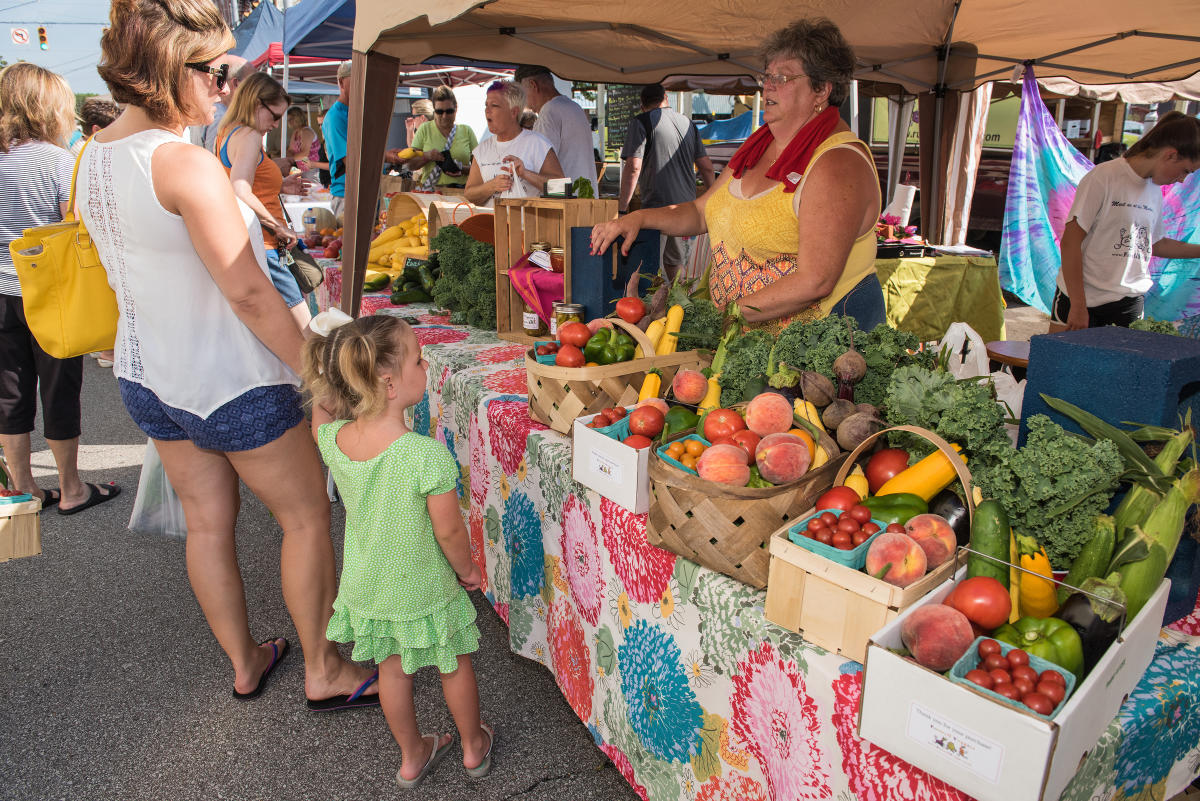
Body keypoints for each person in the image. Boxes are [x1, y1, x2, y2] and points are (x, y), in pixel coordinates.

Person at [79, 0, 379, 710]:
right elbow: (249, 294)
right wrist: (319, 368)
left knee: (209, 522)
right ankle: (322, 667)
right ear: (165, 67)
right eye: (216, 72)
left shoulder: (92, 155)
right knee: (305, 515)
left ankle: (247, 661)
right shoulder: (183, 162)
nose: (225, 85)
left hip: (148, 374)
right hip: (231, 379)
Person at [591, 18, 885, 331]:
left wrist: (722, 315)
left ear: (821, 90)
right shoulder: (757, 148)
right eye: (767, 76)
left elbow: (815, 281)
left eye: (782, 77)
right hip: (742, 341)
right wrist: (638, 218)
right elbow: (700, 211)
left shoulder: (837, 163)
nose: (768, 86)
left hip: (819, 354)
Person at [300, 312, 493, 788]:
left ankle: (412, 755)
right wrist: (467, 569)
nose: (425, 367)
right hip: (425, 584)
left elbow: (321, 414)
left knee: (393, 671)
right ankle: (472, 746)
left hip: (371, 583)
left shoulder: (335, 441)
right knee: (452, 664)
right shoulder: (424, 455)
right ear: (389, 383)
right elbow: (448, 532)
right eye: (419, 360)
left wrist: (331, 376)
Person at [0, 62, 122, 515]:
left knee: (9, 394)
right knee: (59, 391)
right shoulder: (60, 161)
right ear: (49, 106)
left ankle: (24, 490)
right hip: (50, 295)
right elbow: (78, 224)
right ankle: (71, 488)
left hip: (0, 294)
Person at [1054, 111, 1200, 330]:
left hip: (1128, 302)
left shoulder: (1155, 190)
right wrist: (1078, 305)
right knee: (1060, 363)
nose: (1181, 180)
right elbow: (1070, 242)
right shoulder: (1104, 177)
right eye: (1185, 171)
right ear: (1171, 155)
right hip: (1080, 298)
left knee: (1123, 365)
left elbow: (1155, 244)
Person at [215, 72, 312, 329]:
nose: (277, 125)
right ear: (257, 105)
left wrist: (280, 184)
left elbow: (246, 182)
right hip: (266, 245)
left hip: (255, 243)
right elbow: (240, 189)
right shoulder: (249, 136)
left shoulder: (227, 132)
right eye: (275, 116)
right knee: (305, 332)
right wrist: (278, 226)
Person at [619, 83, 716, 281]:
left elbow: (633, 168)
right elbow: (706, 166)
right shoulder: (688, 124)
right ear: (666, 98)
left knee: (647, 266)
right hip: (685, 211)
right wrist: (714, 198)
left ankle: (654, 309)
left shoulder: (641, 122)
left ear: (641, 104)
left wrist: (622, 208)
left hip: (656, 208)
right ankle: (679, 305)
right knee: (674, 263)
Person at [464, 81, 564, 209]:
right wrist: (492, 186)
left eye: (494, 105)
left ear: (514, 112)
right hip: (489, 226)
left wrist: (526, 174)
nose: (487, 111)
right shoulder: (481, 150)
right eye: (486, 105)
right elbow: (469, 195)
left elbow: (561, 189)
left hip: (527, 227)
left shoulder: (537, 143)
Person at [514, 65, 597, 197]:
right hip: (584, 199)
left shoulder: (549, 112)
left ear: (533, 85)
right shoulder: (574, 107)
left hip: (564, 203)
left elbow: (540, 168)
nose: (526, 104)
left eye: (523, 96)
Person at [386, 86, 478, 192]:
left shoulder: (466, 131)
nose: (444, 116)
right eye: (439, 112)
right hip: (432, 193)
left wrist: (461, 168)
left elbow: (480, 168)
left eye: (449, 111)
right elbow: (411, 164)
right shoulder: (425, 129)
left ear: (456, 109)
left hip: (460, 192)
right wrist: (427, 156)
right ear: (434, 110)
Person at [195, 53, 249, 152]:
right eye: (251, 84)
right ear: (236, 83)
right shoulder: (221, 117)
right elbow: (215, 157)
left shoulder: (215, 112)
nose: (254, 91)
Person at [321, 61, 351, 221]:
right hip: (346, 196)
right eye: (356, 80)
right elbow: (350, 160)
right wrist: (385, 157)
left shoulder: (356, 112)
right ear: (341, 82)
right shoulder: (335, 117)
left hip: (364, 192)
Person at [285, 106, 326, 183]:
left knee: (310, 190)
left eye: (291, 119)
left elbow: (304, 154)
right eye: (288, 120)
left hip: (312, 169)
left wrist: (289, 159)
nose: (289, 122)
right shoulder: (296, 132)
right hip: (302, 168)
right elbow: (290, 150)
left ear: (297, 118)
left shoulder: (306, 132)